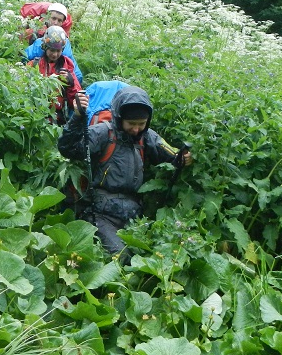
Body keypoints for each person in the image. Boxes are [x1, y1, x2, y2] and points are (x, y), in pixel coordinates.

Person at [58, 85, 193, 257]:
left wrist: (183, 157)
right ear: (119, 117)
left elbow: (171, 155)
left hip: (134, 214)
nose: (136, 129)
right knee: (122, 256)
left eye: (141, 124)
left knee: (153, 254)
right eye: (131, 124)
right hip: (99, 214)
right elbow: (68, 148)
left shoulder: (148, 136)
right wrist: (77, 117)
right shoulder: (102, 132)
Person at [28, 26, 83, 125]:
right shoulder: (34, 65)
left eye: (58, 51)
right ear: (45, 47)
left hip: (58, 118)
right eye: (52, 50)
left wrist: (71, 83)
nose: (55, 54)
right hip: (35, 115)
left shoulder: (67, 67)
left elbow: (76, 101)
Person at [23, 3, 83, 85]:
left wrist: (70, 79)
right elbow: (23, 58)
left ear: (63, 22)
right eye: (53, 18)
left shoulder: (64, 42)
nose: (55, 22)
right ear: (47, 17)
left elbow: (77, 75)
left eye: (59, 20)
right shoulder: (36, 35)